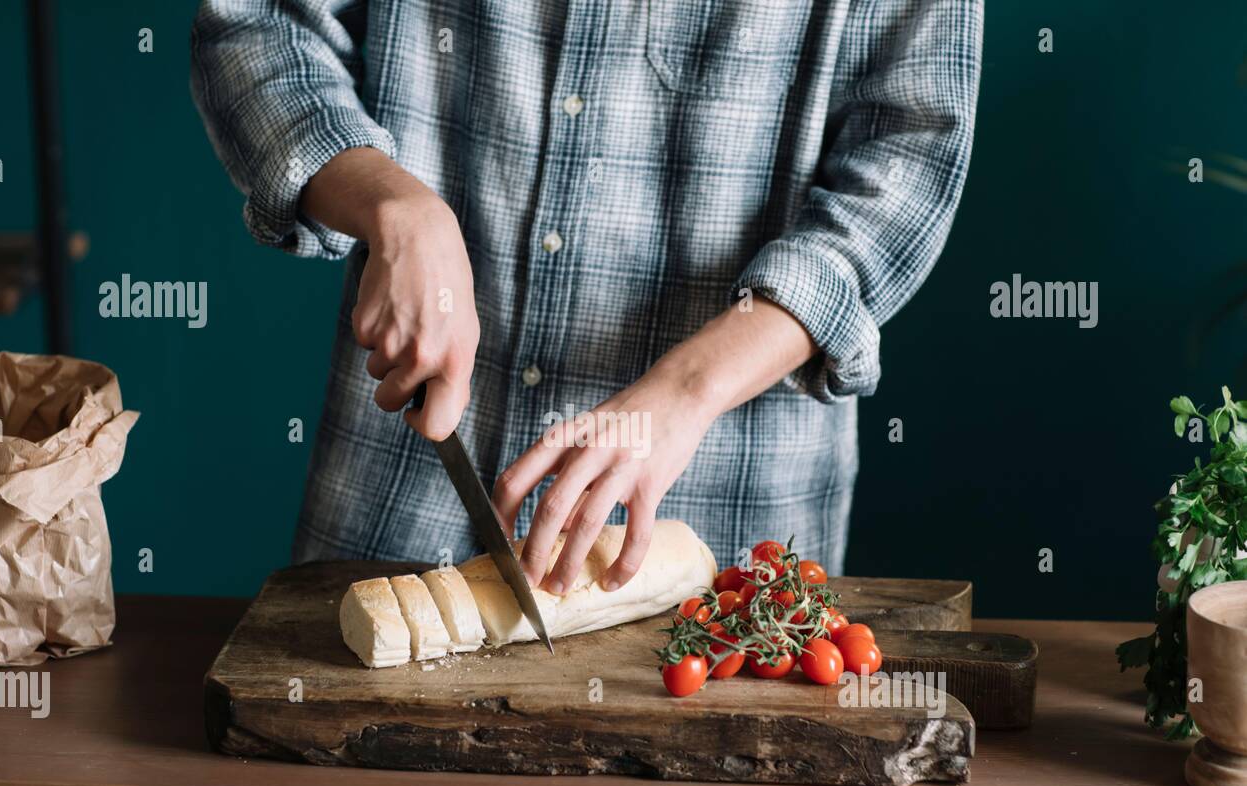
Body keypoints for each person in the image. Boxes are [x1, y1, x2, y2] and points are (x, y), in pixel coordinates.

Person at [191, 0, 981, 594]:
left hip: (728, 518)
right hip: (393, 496)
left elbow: (906, 166)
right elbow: (259, 25)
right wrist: (390, 204)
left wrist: (688, 389)